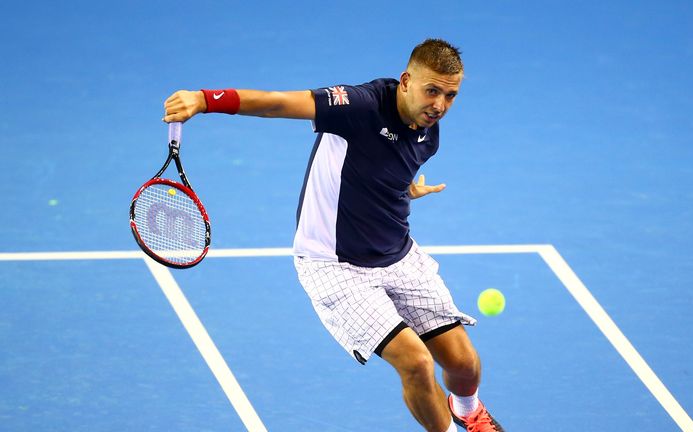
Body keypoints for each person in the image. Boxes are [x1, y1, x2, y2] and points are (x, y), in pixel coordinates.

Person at [163, 38, 504, 432]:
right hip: (334, 267)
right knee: (416, 362)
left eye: (450, 95)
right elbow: (276, 102)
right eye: (432, 91)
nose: (440, 105)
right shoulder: (356, 106)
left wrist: (404, 189)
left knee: (464, 363)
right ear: (407, 80)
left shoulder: (430, 132)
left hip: (398, 255)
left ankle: (467, 410)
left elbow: (375, 169)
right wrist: (204, 99)